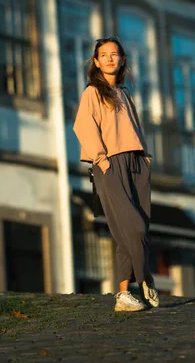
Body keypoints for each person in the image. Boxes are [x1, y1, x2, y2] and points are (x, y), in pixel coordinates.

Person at [73, 36, 159, 312]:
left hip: (136, 164)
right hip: (109, 164)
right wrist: (101, 159)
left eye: (115, 54)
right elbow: (83, 126)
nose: (110, 58)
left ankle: (124, 295)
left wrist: (144, 158)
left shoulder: (124, 93)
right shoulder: (92, 93)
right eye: (104, 55)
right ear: (96, 61)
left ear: (122, 60)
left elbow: (133, 129)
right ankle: (144, 276)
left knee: (134, 230)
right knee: (132, 226)